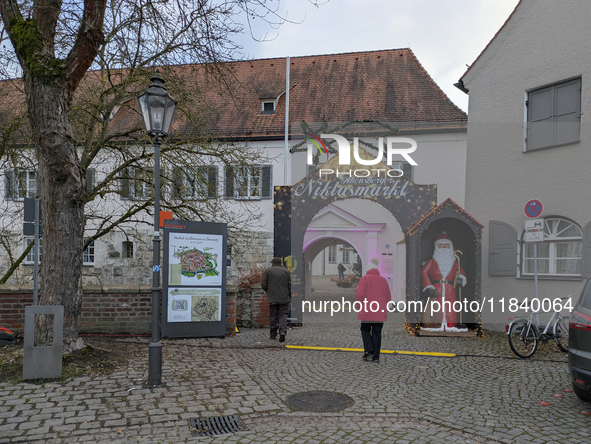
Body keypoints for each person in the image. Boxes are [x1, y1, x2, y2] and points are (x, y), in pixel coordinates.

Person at [420, 232, 467, 332]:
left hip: (451, 288)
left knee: (451, 307)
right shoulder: (432, 261)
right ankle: (437, 324)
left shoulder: (455, 261)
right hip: (437, 288)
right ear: (437, 247)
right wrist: (428, 286)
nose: (444, 247)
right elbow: (423, 271)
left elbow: (461, 272)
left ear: (451, 247)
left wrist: (461, 279)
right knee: (437, 307)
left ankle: (450, 325)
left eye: (447, 245)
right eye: (441, 245)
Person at [355, 257, 391, 363]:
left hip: (367, 310)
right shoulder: (383, 280)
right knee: (377, 332)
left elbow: (360, 294)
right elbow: (388, 297)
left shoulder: (364, 279)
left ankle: (368, 352)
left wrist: (358, 305)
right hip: (379, 312)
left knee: (365, 329)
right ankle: (376, 356)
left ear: (368, 270)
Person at [261, 257, 292, 342]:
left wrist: (269, 291)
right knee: (283, 315)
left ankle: (273, 334)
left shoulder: (268, 271)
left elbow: (263, 284)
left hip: (273, 297)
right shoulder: (286, 271)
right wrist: (289, 297)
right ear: (280, 263)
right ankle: (282, 332)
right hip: (284, 298)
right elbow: (290, 286)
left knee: (273, 315)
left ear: (272, 263)